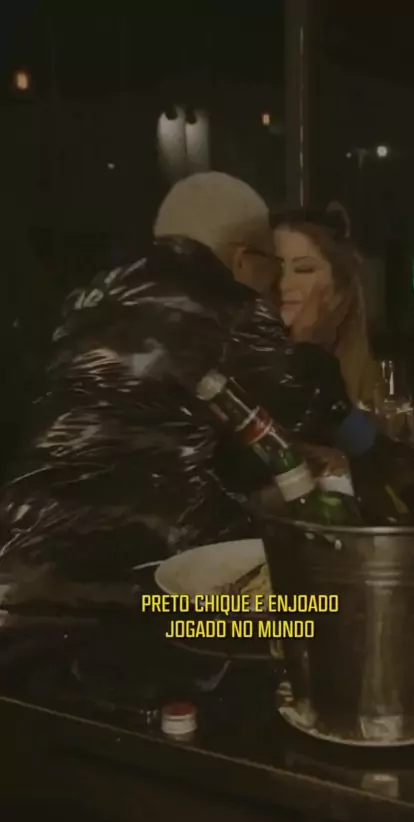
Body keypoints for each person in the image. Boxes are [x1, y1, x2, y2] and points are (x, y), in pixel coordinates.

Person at [0, 172, 368, 617]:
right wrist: (313, 344)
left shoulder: (90, 300)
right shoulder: (227, 304)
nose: (276, 284)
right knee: (314, 623)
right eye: (272, 265)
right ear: (241, 261)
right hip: (137, 597)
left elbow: (156, 430)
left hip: (19, 577)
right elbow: (314, 407)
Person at [272, 207, 378, 405]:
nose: (283, 284)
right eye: (275, 268)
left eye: (304, 269)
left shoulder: (377, 390)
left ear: (340, 288)